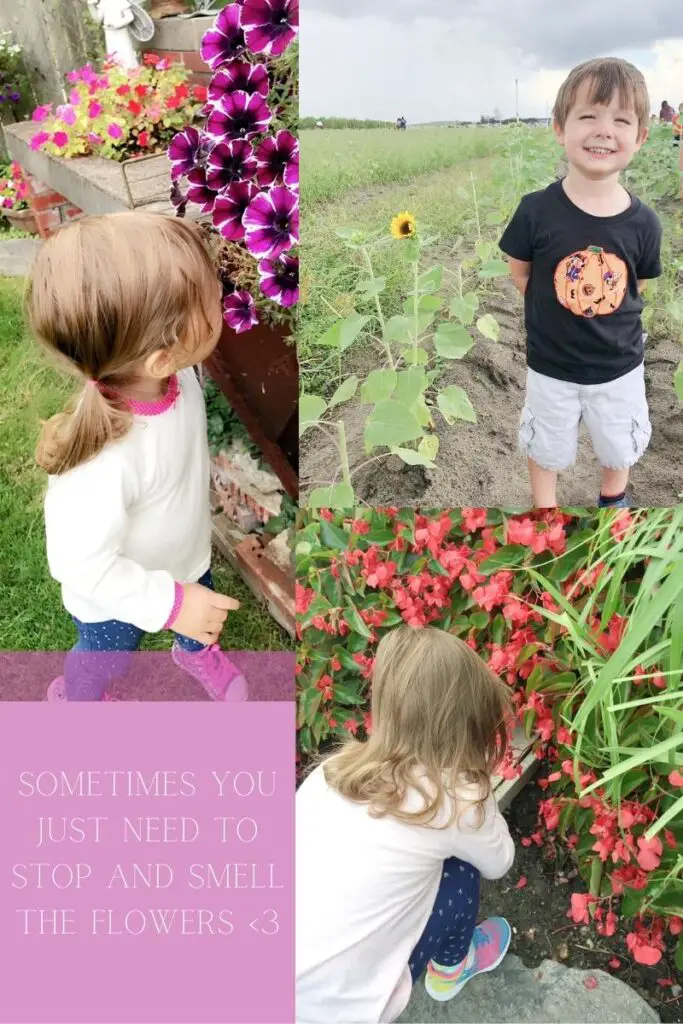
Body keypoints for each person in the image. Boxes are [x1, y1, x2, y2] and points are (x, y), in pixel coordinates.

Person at [27, 212, 248, 702]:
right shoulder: (102, 462)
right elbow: (84, 567)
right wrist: (169, 604)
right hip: (112, 600)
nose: (222, 292)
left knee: (201, 611)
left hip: (185, 556)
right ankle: (80, 695)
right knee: (105, 658)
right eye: (209, 297)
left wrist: (182, 596)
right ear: (160, 357)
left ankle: (193, 650)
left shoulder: (179, 378)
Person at [296, 626, 515, 1023]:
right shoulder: (455, 802)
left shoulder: (332, 770)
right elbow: (500, 862)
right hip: (349, 1006)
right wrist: (477, 791)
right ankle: (451, 970)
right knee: (461, 870)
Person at [499, 57, 662, 508]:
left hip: (620, 366)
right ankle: (545, 508)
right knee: (545, 443)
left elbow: (636, 287)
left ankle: (614, 499)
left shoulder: (645, 223)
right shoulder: (535, 210)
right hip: (551, 365)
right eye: (588, 115)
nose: (603, 130)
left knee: (617, 442)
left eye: (621, 120)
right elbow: (521, 271)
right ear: (559, 127)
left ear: (640, 137)